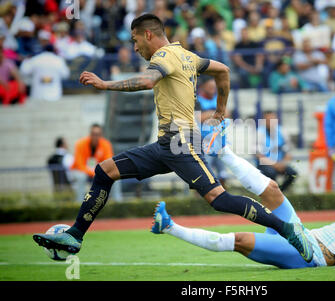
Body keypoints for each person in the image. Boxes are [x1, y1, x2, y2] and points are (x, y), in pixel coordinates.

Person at [32, 14, 309, 261]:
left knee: (218, 199)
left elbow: (146, 81)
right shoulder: (187, 56)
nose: (134, 47)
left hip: (182, 142)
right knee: (105, 171)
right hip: (166, 144)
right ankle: (75, 235)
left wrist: (104, 84)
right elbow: (222, 70)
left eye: (134, 40)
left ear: (147, 35)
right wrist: (220, 112)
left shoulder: (163, 57)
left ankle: (287, 229)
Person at [151, 145, 335, 269]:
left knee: (239, 240)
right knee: (273, 189)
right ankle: (223, 148)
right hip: (300, 233)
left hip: (311, 255)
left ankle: (170, 227)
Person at [70, 124, 121, 202]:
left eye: (97, 134)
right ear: (90, 134)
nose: (95, 137)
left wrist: (97, 172)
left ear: (101, 135)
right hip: (82, 172)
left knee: (116, 178)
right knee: (81, 177)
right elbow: (79, 165)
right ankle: (79, 204)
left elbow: (108, 163)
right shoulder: (80, 144)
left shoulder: (106, 144)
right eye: (93, 134)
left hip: (99, 172)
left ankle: (118, 203)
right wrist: (93, 172)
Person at [196, 76, 229, 187]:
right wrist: (217, 113)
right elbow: (199, 118)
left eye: (214, 87)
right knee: (204, 170)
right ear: (202, 87)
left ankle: (223, 196)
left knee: (222, 173)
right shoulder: (197, 100)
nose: (212, 89)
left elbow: (227, 114)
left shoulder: (217, 98)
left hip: (219, 139)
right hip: (204, 141)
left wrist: (210, 114)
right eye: (210, 87)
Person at [256, 111, 298, 192]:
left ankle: (280, 192)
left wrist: (283, 163)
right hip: (265, 164)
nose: (270, 121)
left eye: (272, 119)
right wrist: (275, 165)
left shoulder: (282, 131)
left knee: (292, 174)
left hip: (280, 163)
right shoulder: (259, 133)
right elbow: (258, 155)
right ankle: (274, 193)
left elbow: (288, 152)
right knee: (271, 173)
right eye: (267, 119)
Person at [0, 41, 26, 105]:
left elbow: (16, 74)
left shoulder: (7, 62)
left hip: (5, 86)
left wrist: (20, 83)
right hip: (2, 85)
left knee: (16, 85)